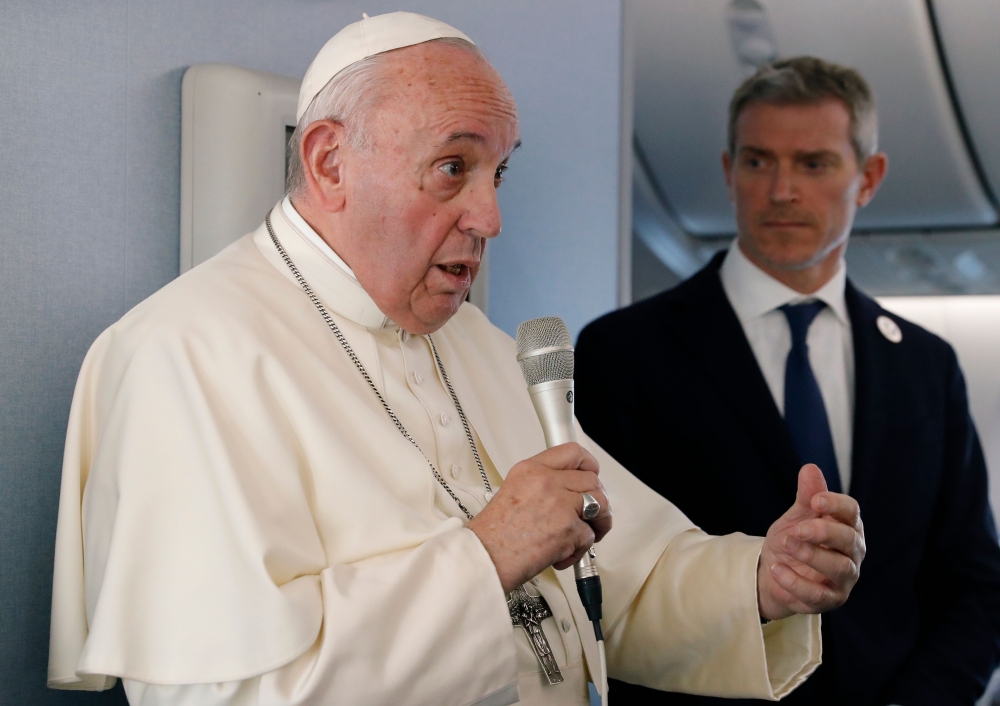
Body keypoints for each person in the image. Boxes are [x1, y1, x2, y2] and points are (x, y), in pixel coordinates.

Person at [48, 18, 865, 705]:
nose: (492, 215)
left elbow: (626, 577)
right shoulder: (186, 356)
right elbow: (229, 693)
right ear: (331, 162)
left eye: (498, 171)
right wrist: (487, 554)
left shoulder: (478, 343)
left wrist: (760, 581)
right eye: (453, 168)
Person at [575, 56, 1000, 705]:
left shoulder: (925, 366)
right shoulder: (626, 351)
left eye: (814, 163)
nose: (780, 190)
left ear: (868, 178)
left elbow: (975, 584)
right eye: (757, 161)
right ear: (728, 171)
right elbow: (609, 578)